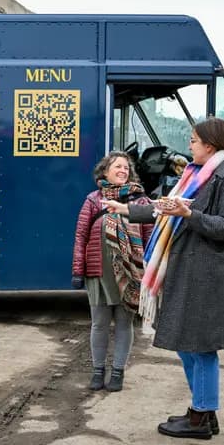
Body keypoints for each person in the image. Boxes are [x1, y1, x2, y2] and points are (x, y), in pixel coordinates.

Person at [104, 118, 224, 440]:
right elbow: (165, 209)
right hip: (191, 272)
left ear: (210, 146)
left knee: (199, 347)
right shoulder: (199, 175)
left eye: (193, 141)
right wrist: (124, 209)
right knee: (189, 344)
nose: (189, 146)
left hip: (208, 276)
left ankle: (200, 416)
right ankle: (203, 410)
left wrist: (190, 215)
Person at [71, 152, 153, 392]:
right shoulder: (93, 201)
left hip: (129, 274)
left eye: (126, 168)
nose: (123, 171)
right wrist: (78, 269)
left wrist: (149, 273)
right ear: (104, 172)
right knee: (99, 324)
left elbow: (149, 239)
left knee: (124, 324)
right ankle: (98, 371)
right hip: (98, 272)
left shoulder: (140, 202)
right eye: (118, 166)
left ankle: (117, 372)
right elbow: (81, 237)